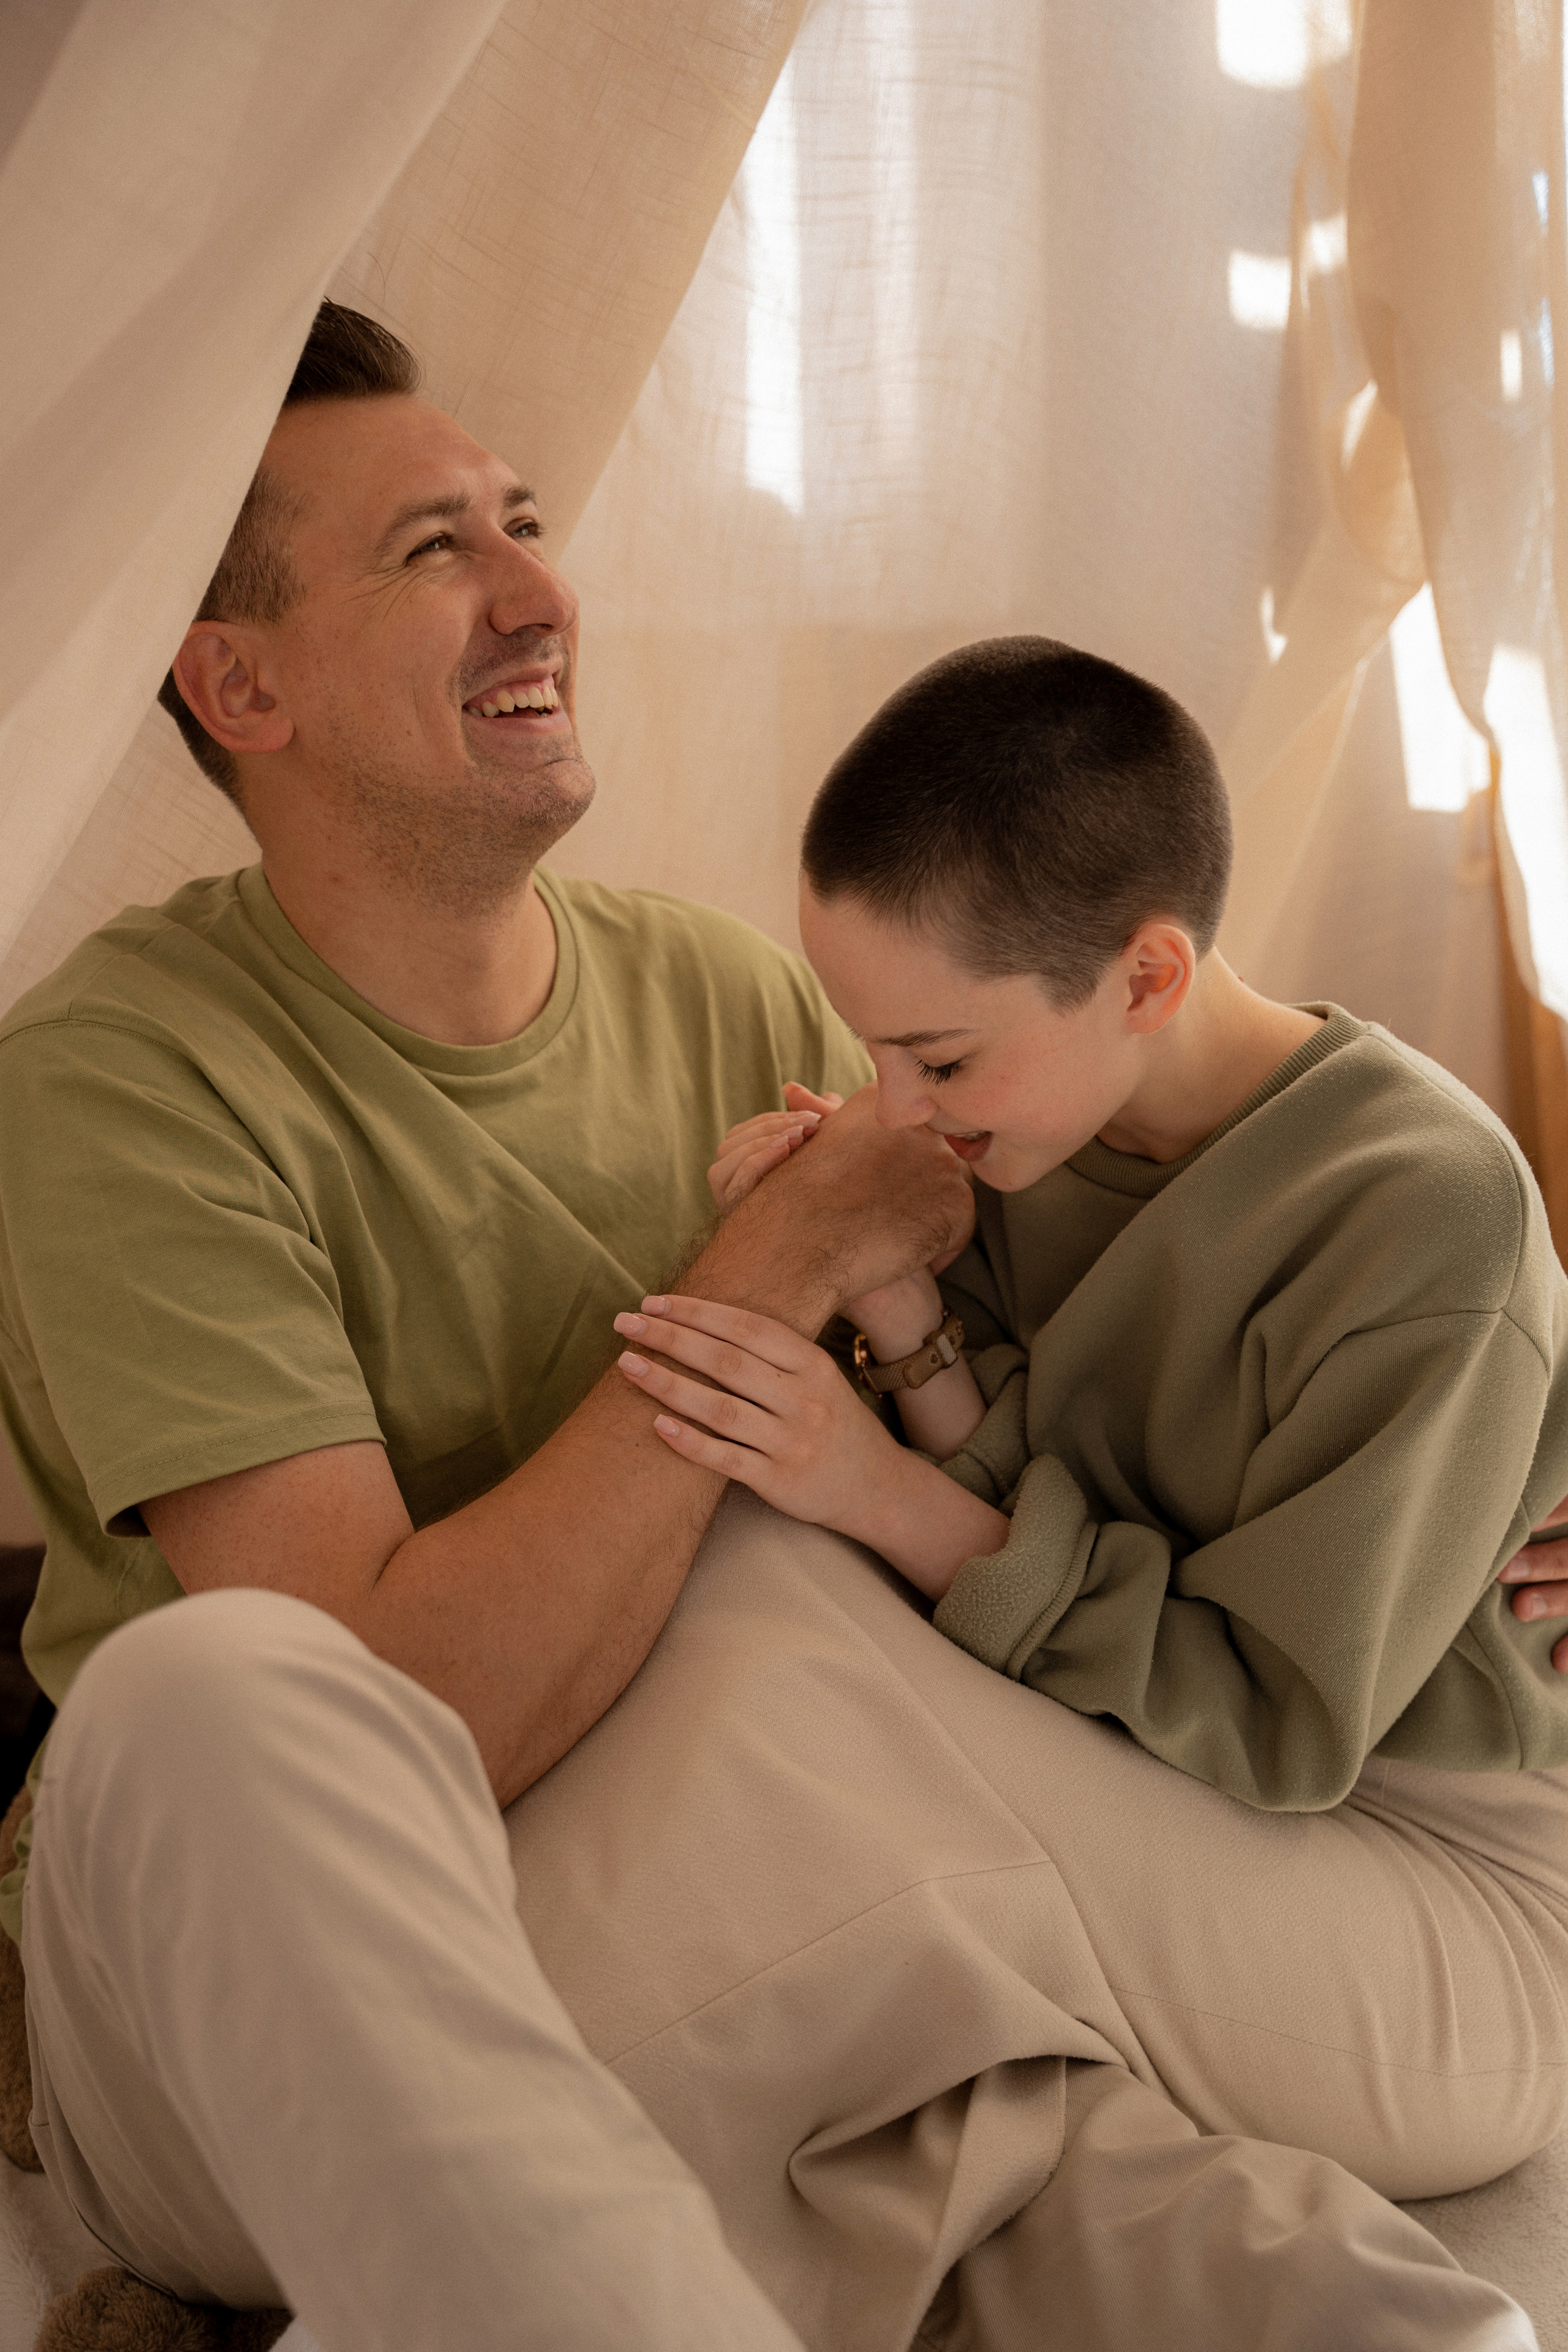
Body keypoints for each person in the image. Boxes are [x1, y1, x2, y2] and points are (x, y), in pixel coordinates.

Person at [0, 302, 1558, 2351]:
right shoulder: (124, 1080)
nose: (543, 591)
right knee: (221, 1697)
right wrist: (783, 1268)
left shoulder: (730, 1001)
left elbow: (1028, 1489)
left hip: (778, 1934)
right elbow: (392, 1746)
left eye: (522, 522)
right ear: (240, 680)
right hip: (237, 1985)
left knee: (1030, 2112)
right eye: (432, 551)